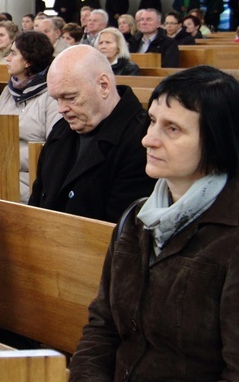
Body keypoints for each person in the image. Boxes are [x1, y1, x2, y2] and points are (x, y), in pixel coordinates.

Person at [68, 66, 239, 381]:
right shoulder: (137, 217)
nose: (148, 139)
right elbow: (102, 328)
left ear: (217, 140)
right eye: (152, 121)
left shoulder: (230, 236)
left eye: (172, 128)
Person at [29, 45, 155, 222]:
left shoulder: (141, 139)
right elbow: (36, 203)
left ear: (103, 85)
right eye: (56, 99)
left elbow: (123, 229)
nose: (61, 109)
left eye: (70, 97)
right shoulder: (61, 130)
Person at [0, 31, 61, 203]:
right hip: (0, 171)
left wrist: (5, 156)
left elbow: (54, 148)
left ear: (28, 61)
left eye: (13, 53)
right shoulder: (8, 92)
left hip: (31, 178)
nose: (7, 58)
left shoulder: (51, 96)